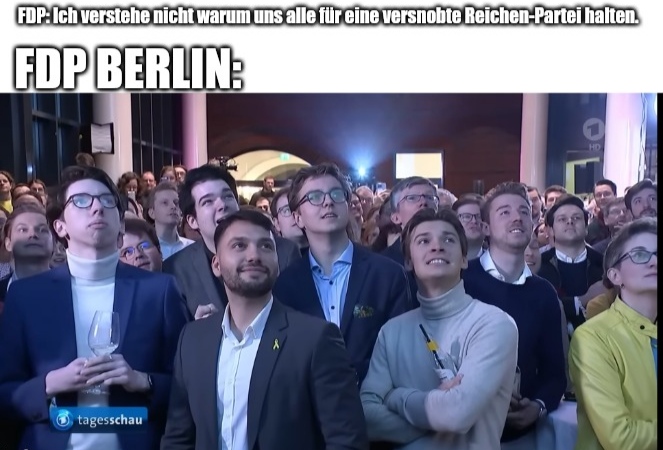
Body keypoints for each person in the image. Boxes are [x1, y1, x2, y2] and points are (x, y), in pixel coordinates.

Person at [0, 165, 188, 450]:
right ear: (60, 227)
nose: (97, 207)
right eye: (81, 201)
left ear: (121, 225)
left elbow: (188, 385)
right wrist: (49, 384)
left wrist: (143, 381)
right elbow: (5, 393)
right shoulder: (26, 296)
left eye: (106, 200)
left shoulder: (159, 291)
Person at [161, 210, 368, 450]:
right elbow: (178, 438)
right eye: (239, 246)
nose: (254, 255)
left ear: (278, 263)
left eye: (266, 246)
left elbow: (347, 440)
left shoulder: (315, 340)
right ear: (216, 264)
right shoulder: (193, 340)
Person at [361, 209, 518, 450]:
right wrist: (437, 413)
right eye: (424, 241)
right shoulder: (391, 332)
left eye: (448, 239)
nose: (437, 246)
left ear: (464, 259)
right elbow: (366, 417)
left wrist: (397, 396)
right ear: (408, 261)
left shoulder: (494, 323)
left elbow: (456, 414)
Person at [274, 163, 412, 384]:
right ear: (298, 217)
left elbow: (400, 350)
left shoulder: (387, 274)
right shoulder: (286, 284)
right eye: (315, 197)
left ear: (347, 207)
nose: (328, 202)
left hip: (376, 396)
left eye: (336, 194)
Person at [461, 182, 566, 448]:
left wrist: (538, 406)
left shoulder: (544, 293)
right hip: (462, 431)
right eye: (504, 212)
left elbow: (555, 372)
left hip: (520, 434)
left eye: (524, 211)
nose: (517, 217)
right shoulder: (461, 279)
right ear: (485, 227)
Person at [163, 165, 300, 320]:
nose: (222, 205)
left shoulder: (284, 252)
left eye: (228, 196)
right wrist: (198, 329)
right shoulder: (176, 268)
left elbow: (299, 316)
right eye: (208, 201)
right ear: (192, 221)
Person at [569, 217, 657, 450]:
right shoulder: (593, 337)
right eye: (640, 254)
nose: (654, 261)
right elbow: (620, 437)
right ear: (615, 275)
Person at [146, 182, 194, 260]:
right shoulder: (145, 250)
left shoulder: (192, 247)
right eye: (165, 203)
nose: (173, 206)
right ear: (152, 213)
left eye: (176, 203)